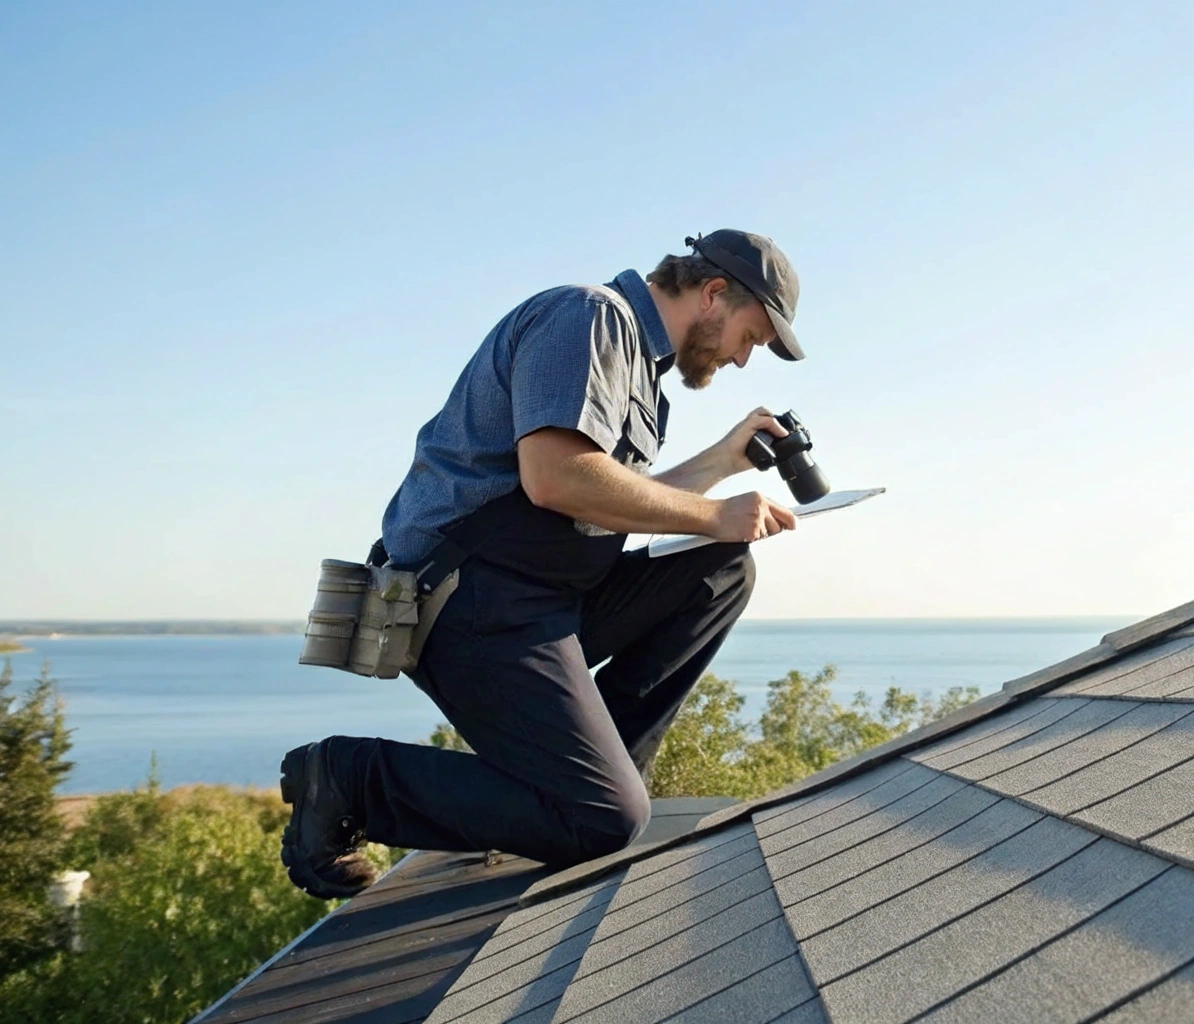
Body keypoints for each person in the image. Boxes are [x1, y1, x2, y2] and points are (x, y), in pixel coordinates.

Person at [278, 230, 805, 898]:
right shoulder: (588, 317)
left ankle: (601, 771)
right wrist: (713, 514)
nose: (742, 360)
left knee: (722, 568)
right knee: (601, 821)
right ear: (713, 294)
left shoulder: (639, 368)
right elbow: (555, 477)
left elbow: (601, 503)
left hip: (545, 599)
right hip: (472, 605)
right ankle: (350, 777)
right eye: (751, 338)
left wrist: (723, 463)